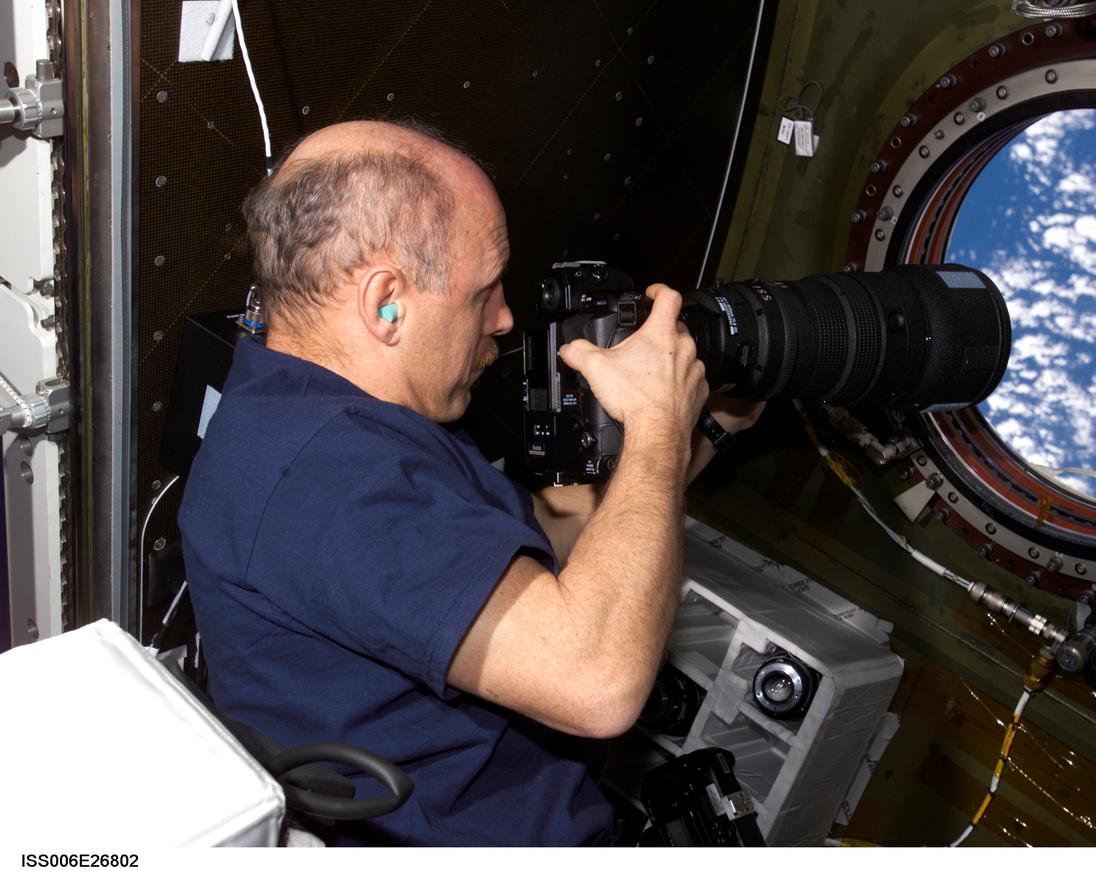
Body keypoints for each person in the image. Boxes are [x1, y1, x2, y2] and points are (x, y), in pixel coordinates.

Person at [178, 119, 762, 846]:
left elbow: (540, 549)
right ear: (385, 301)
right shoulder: (331, 480)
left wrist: (707, 427)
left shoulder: (318, 408)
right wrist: (653, 427)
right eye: (483, 291)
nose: (505, 316)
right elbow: (596, 682)